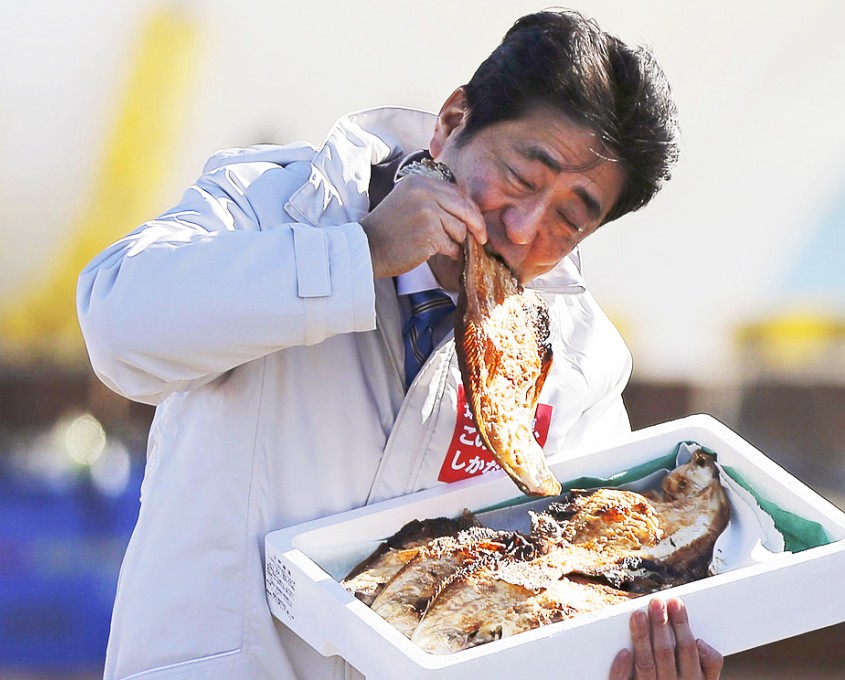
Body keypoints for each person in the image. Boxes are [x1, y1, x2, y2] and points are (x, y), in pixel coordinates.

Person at [77, 10, 722, 680]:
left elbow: (560, 597)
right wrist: (358, 254)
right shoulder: (279, 205)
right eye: (522, 178)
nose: (524, 230)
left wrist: (620, 661)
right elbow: (118, 328)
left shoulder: (578, 362)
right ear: (450, 122)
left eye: (568, 217)